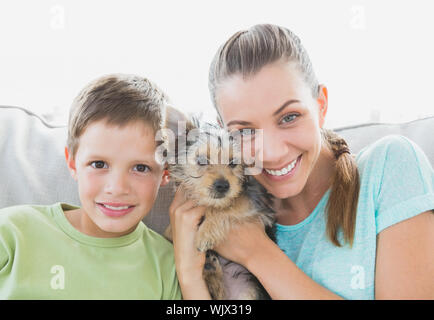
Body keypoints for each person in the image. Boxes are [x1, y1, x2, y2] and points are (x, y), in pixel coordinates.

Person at [169, 24, 434, 299]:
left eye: (289, 117)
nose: (271, 152)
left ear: (321, 106)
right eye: (245, 132)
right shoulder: (223, 208)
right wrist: (189, 273)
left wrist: (257, 253)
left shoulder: (389, 166)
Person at [0, 74, 182, 299]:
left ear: (166, 171)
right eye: (99, 164)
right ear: (72, 162)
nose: (117, 188)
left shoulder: (168, 266)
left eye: (140, 168)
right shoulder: (11, 231)